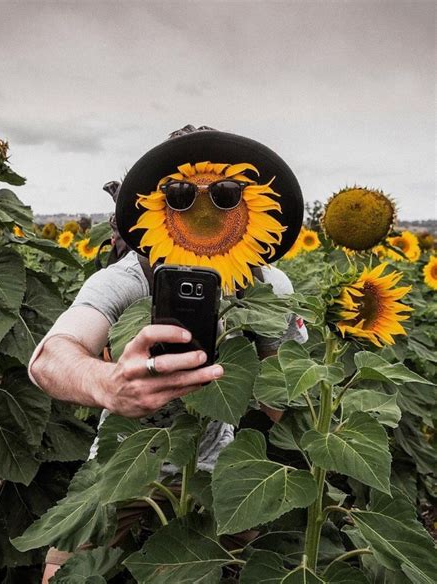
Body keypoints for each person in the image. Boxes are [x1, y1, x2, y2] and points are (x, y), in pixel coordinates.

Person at [28, 125, 307, 582]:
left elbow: (283, 387)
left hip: (220, 469)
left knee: (247, 564)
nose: (202, 210)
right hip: (127, 459)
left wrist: (287, 451)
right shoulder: (124, 281)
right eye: (179, 195)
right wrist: (108, 384)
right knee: (66, 570)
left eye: (226, 195)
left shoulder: (266, 286)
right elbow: (50, 357)